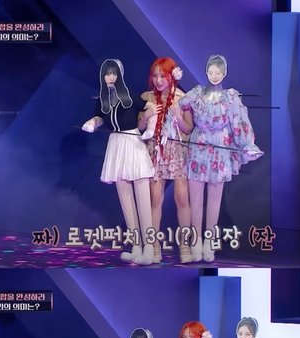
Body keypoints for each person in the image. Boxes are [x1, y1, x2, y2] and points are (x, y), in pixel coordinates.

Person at [178, 55, 263, 262]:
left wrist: (247, 144)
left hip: (219, 148)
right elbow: (181, 103)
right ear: (206, 72)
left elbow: (239, 122)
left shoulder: (230, 97)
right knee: (195, 199)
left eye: (218, 72)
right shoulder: (197, 93)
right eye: (211, 72)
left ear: (224, 74)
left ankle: (209, 242)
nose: (214, 76)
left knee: (214, 199)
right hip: (199, 146)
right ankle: (196, 241)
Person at [82, 59, 154, 265]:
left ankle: (149, 249)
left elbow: (151, 108)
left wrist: (150, 125)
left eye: (114, 73)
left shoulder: (130, 95)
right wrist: (91, 123)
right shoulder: (102, 99)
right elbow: (99, 117)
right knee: (125, 199)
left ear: (120, 75)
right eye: (107, 73)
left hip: (133, 143)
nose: (111, 77)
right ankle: (136, 246)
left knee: (143, 199)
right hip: (116, 144)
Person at [139, 58, 192, 264]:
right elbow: (140, 127)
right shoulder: (148, 97)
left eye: (163, 75)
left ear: (172, 76)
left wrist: (178, 116)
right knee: (155, 199)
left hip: (177, 150)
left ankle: (185, 245)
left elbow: (188, 128)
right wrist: (146, 116)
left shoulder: (183, 98)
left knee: (182, 198)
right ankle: (153, 246)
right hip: (155, 150)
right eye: (155, 75)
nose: (158, 80)